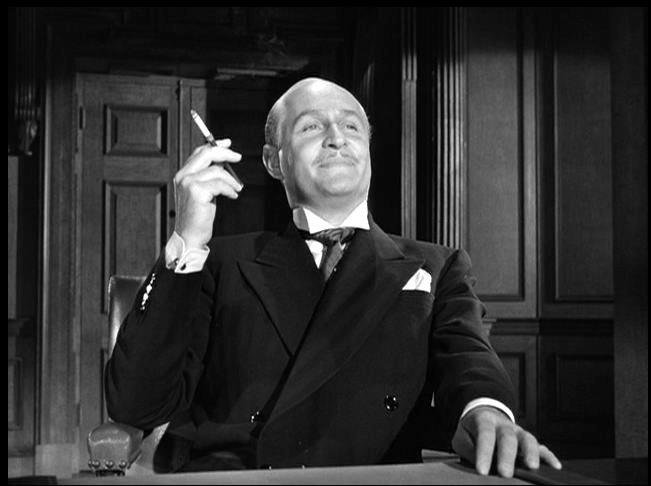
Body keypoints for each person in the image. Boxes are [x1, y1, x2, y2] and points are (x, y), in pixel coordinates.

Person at [106, 77, 562, 477]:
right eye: (311, 127)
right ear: (273, 161)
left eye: (351, 127)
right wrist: (187, 239)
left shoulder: (437, 267)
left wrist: (486, 411)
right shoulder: (217, 262)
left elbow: (469, 358)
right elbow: (136, 404)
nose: (336, 138)